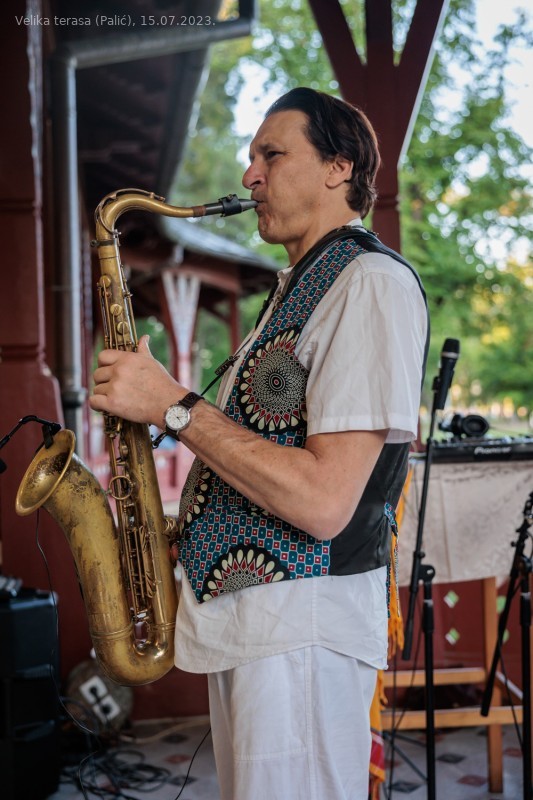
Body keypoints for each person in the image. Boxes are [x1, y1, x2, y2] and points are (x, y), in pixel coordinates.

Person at [90, 87, 428, 800]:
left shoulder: (369, 283)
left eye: (271, 155)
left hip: (301, 629)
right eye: (251, 158)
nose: (250, 175)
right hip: (268, 630)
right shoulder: (301, 288)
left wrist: (172, 404)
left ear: (338, 167)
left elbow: (324, 501)